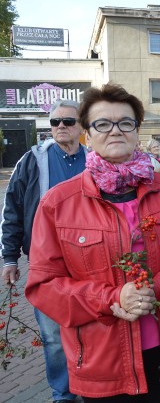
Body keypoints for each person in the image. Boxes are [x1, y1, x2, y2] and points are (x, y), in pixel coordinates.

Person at [24, 83, 160, 402]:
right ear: (87, 135)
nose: (115, 131)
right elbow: (44, 286)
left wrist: (158, 287)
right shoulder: (58, 203)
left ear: (137, 131)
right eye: (102, 124)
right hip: (103, 364)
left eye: (125, 123)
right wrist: (112, 298)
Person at [2, 99, 87, 403]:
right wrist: (9, 257)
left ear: (82, 126)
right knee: (52, 336)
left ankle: (91, 385)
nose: (60, 127)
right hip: (44, 260)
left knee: (91, 328)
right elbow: (12, 208)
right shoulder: (32, 160)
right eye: (54, 122)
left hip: (89, 259)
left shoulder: (96, 159)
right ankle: (63, 394)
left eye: (68, 121)